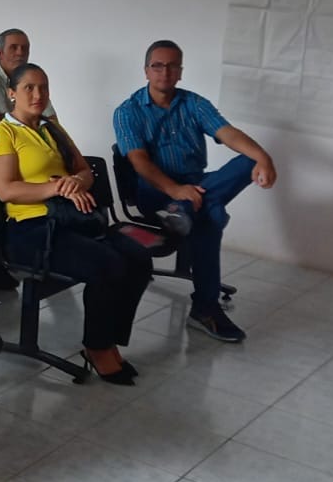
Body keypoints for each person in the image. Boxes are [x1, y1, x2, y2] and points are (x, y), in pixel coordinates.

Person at [0, 64, 157, 384]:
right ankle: (98, 347)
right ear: (11, 93)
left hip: (70, 220)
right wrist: (58, 187)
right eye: (29, 88)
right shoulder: (1, 134)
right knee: (107, 264)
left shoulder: (53, 129)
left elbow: (85, 171)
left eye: (43, 87)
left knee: (139, 259)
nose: (38, 94)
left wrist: (74, 182)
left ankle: (109, 339)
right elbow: (6, 190)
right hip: (31, 231)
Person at [112, 40, 277, 343]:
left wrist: (264, 157)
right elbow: (139, 162)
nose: (165, 72)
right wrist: (175, 190)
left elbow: (228, 134)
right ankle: (205, 308)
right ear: (146, 70)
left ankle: (183, 212)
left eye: (172, 66)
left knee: (247, 160)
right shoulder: (127, 111)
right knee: (211, 217)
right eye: (157, 66)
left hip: (197, 185)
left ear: (180, 71)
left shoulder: (194, 103)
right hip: (155, 191)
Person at [0, 29, 55, 118]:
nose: (20, 53)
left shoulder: (34, 80)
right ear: (0, 54)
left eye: (24, 48)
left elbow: (51, 118)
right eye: (14, 48)